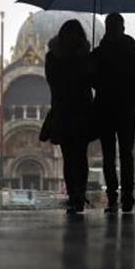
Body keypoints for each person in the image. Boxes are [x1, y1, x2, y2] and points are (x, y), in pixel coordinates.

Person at [91, 12, 135, 213]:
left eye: (115, 26)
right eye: (110, 27)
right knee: (109, 155)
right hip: (106, 110)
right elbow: (90, 78)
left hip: (125, 109)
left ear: (122, 28)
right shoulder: (99, 53)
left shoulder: (133, 51)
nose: (113, 30)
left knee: (126, 154)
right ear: (107, 29)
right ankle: (112, 197)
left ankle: (127, 196)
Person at [44, 19, 95, 214]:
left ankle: (78, 194)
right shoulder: (58, 57)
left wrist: (88, 65)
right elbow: (54, 81)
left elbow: (92, 80)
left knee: (76, 156)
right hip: (72, 109)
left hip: (73, 110)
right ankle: (75, 195)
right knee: (75, 156)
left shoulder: (77, 56)